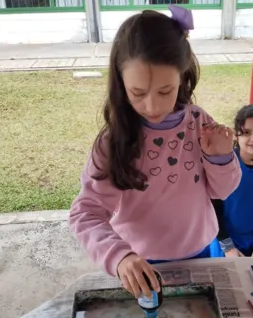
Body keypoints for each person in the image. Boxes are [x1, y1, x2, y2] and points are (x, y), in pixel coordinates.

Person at [68, 6, 242, 299]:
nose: (153, 106)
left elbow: (221, 191)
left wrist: (221, 158)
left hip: (201, 249)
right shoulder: (115, 142)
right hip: (140, 262)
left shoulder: (199, 123)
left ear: (182, 76)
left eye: (165, 91)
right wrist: (118, 256)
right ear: (120, 83)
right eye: (138, 93)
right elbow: (86, 213)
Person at [209, 104, 253, 259]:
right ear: (236, 135)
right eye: (247, 132)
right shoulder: (224, 164)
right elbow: (213, 209)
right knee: (224, 278)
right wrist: (228, 248)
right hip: (225, 236)